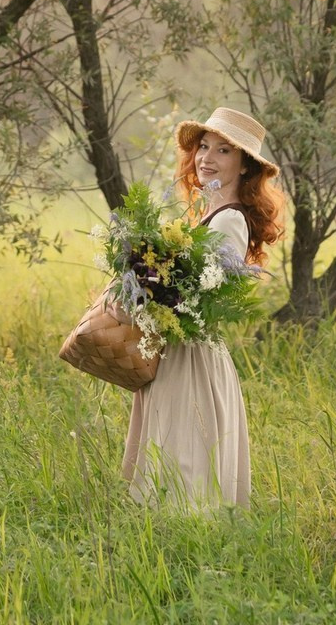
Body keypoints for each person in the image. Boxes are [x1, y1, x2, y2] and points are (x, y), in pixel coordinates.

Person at [121, 107, 286, 510]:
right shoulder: (208, 213)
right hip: (179, 348)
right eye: (204, 147)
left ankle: (189, 531)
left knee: (187, 454)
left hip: (193, 355)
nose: (206, 158)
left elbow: (204, 298)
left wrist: (154, 287)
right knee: (173, 448)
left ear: (245, 166)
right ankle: (167, 529)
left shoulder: (229, 220)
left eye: (223, 150)